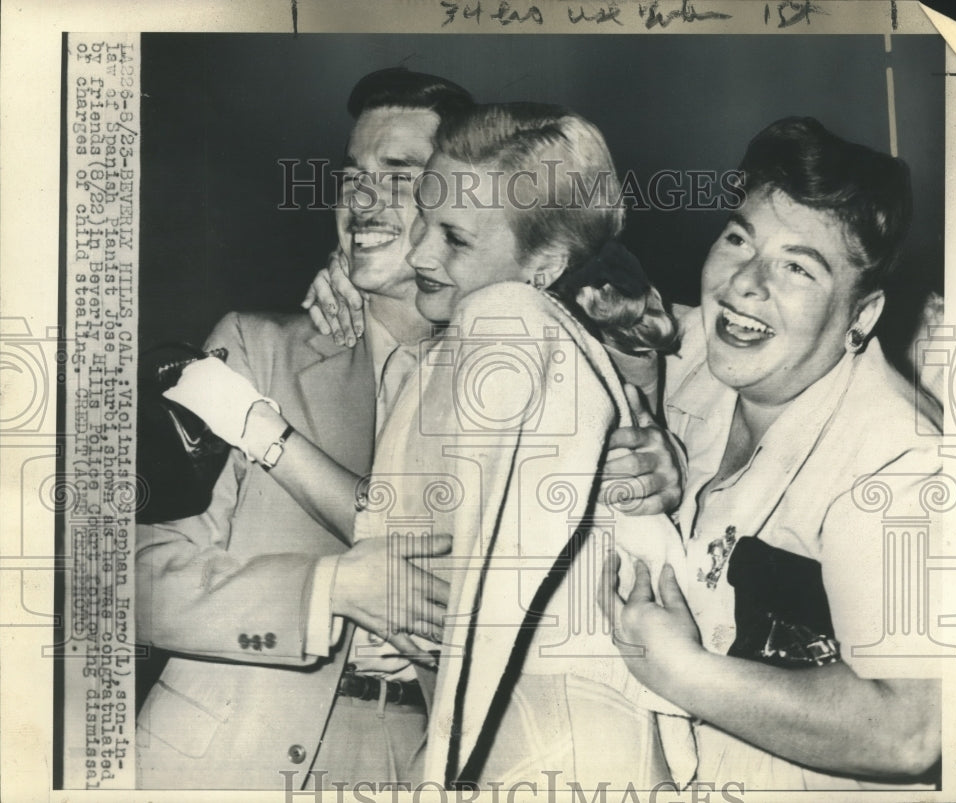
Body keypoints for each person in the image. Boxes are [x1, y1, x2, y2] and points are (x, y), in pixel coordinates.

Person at [165, 102, 696, 789]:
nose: (417, 247)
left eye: (449, 232)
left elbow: (393, 530)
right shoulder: (547, 332)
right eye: (355, 174)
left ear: (542, 263)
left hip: (544, 749)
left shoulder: (505, 326)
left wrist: (264, 433)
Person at [134, 67, 473, 790]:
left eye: (399, 175)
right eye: (352, 173)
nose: (360, 197)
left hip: (409, 766)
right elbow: (130, 578)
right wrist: (325, 592)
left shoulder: (511, 393)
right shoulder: (251, 348)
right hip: (215, 758)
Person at [600, 117, 943, 790]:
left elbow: (912, 731)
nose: (746, 283)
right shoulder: (698, 344)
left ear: (862, 316)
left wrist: (681, 670)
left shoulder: (897, 460)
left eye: (797, 267)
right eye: (738, 239)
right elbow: (565, 282)